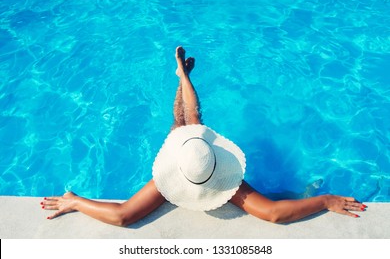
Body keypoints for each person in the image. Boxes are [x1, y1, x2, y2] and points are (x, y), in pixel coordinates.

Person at [41, 46, 366, 227]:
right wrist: (324, 199)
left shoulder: (167, 182)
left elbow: (123, 216)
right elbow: (275, 213)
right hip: (193, 163)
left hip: (188, 164)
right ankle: (182, 78)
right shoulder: (231, 187)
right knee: (185, 122)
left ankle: (181, 78)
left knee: (181, 122)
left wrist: (76, 202)